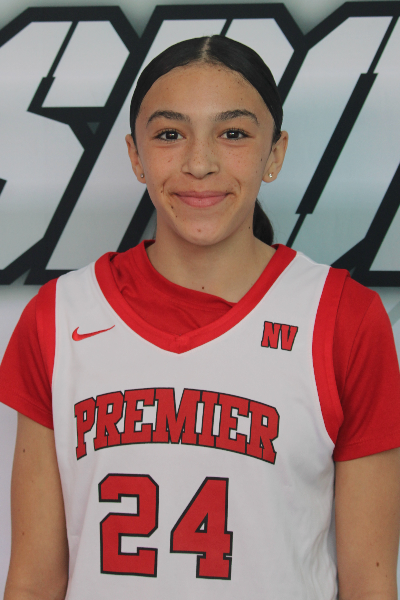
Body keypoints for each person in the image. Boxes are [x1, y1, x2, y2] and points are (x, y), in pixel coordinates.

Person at [1, 34, 400, 600]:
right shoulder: (59, 317)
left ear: (275, 153)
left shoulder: (343, 319)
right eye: (170, 134)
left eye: (233, 133)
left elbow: (371, 586)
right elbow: (33, 582)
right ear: (135, 156)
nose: (199, 163)